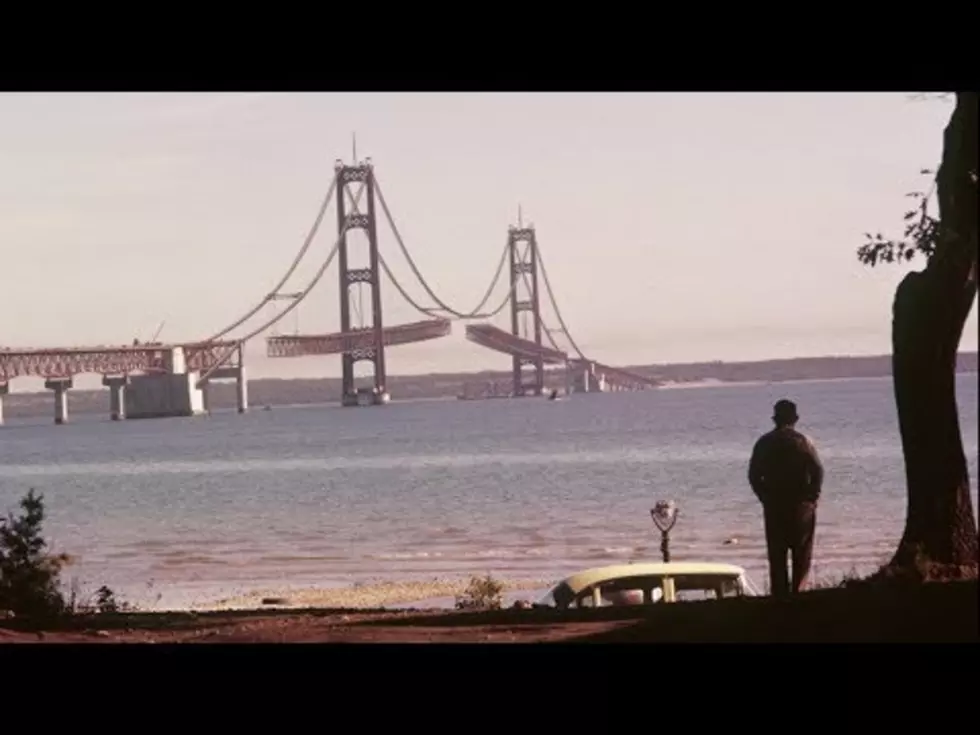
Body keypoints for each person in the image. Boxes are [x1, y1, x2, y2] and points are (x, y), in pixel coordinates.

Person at [748, 399, 824, 597]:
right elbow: (817, 470)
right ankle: (799, 594)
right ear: (795, 419)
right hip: (801, 507)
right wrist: (813, 497)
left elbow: (754, 475)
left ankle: (779, 597)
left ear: (775, 419)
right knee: (802, 555)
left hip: (774, 506)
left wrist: (764, 496)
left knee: (777, 555)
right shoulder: (804, 442)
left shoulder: (764, 443)